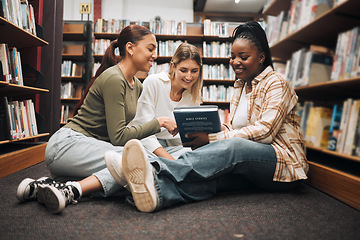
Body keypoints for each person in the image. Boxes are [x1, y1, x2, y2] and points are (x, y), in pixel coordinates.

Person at [105, 21, 309, 213]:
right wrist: (220, 129)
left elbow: (264, 133)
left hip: (284, 165)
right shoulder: (240, 86)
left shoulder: (276, 83)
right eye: (232, 56)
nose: (235, 62)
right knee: (211, 179)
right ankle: (154, 195)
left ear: (261, 57)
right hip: (254, 167)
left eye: (243, 56)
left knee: (232, 147)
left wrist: (212, 139)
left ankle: (152, 170)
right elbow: (238, 130)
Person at [16, 25, 178, 214]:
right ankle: (72, 191)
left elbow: (135, 131)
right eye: (150, 48)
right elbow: (118, 137)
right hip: (67, 145)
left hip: (86, 152)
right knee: (138, 163)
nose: (155, 55)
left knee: (140, 167)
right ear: (130, 48)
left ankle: (48, 186)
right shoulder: (115, 79)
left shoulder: (137, 86)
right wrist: (159, 123)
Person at [130, 42, 203, 160]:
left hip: (175, 147)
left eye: (194, 71)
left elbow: (187, 136)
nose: (189, 77)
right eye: (183, 70)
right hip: (147, 144)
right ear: (173, 67)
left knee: (201, 155)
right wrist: (171, 161)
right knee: (146, 159)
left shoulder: (194, 94)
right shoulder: (154, 82)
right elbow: (143, 131)